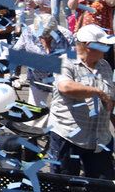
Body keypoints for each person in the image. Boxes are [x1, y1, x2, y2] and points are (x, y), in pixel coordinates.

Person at [45, 25, 115, 179]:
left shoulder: (105, 66)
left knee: (104, 185)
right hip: (68, 136)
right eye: (103, 45)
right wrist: (97, 92)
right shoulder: (65, 62)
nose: (107, 48)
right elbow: (65, 86)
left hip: (99, 139)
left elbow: (110, 100)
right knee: (64, 184)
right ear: (89, 46)